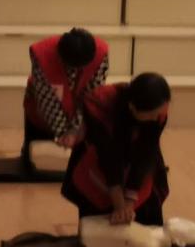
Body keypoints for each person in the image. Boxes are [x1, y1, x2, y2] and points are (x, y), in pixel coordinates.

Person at [62, 73, 171, 226]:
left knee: (147, 220)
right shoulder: (99, 105)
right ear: (133, 107)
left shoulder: (158, 112)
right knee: (98, 224)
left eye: (159, 113)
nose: (156, 118)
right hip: (99, 163)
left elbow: (146, 154)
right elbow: (109, 159)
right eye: (153, 114)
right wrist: (119, 205)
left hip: (139, 161)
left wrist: (130, 201)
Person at [22, 28, 109, 171]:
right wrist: (63, 132)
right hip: (43, 110)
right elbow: (47, 100)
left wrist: (76, 129)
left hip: (78, 110)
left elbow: (92, 94)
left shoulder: (100, 53)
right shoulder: (42, 54)